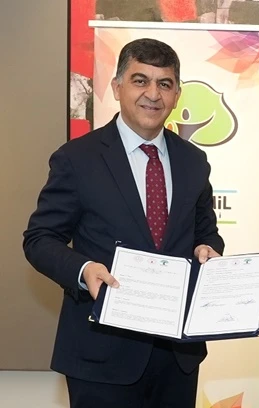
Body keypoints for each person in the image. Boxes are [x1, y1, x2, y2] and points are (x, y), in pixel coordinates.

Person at [23, 38, 224, 408]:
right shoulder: (77, 158)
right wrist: (83, 269)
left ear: (177, 95)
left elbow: (205, 231)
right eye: (140, 80)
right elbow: (40, 239)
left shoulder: (194, 161)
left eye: (164, 84)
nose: (153, 94)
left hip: (176, 355)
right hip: (100, 353)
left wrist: (208, 248)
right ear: (117, 87)